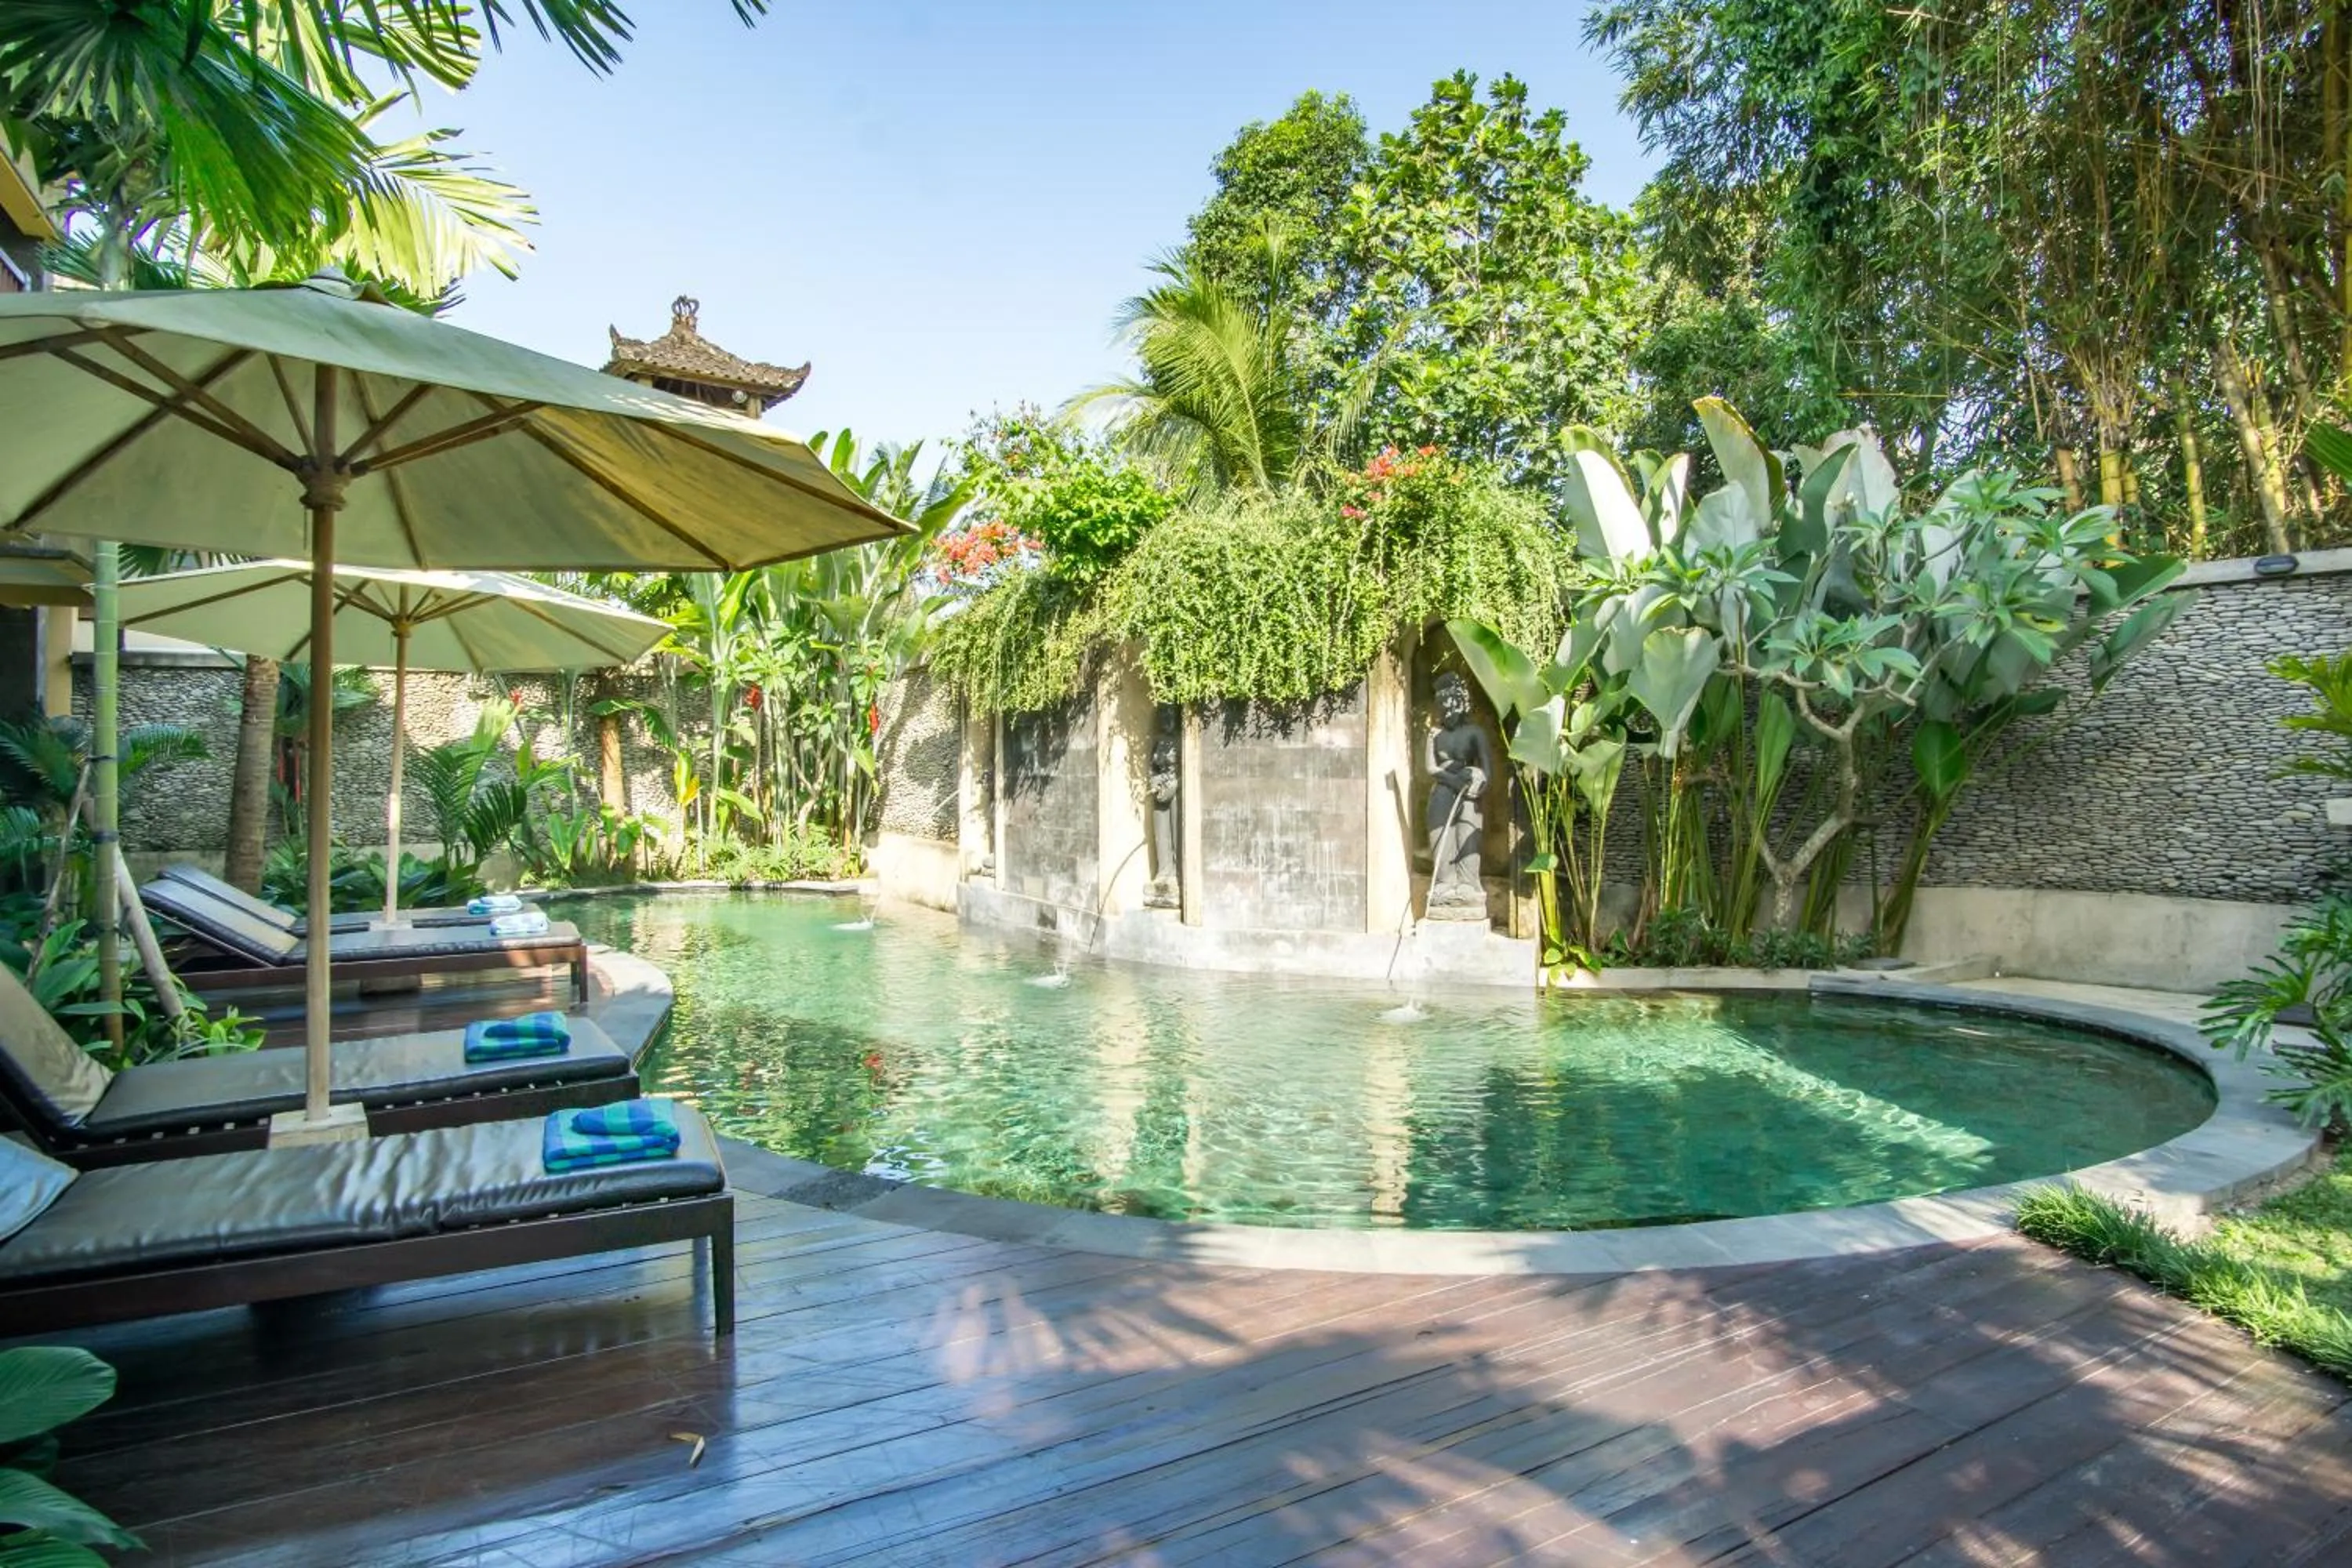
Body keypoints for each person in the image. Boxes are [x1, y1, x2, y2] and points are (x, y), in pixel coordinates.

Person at [1425, 671, 1490, 918]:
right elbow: (1431, 768)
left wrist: (1480, 782)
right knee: (1440, 835)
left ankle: (1467, 883)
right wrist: (1451, 780)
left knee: (1468, 834)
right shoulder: (1435, 735)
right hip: (1443, 788)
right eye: (1442, 705)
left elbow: (1487, 768)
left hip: (1468, 791)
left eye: (1451, 705)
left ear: (1462, 704)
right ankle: (1444, 882)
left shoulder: (1474, 733)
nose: (1447, 711)